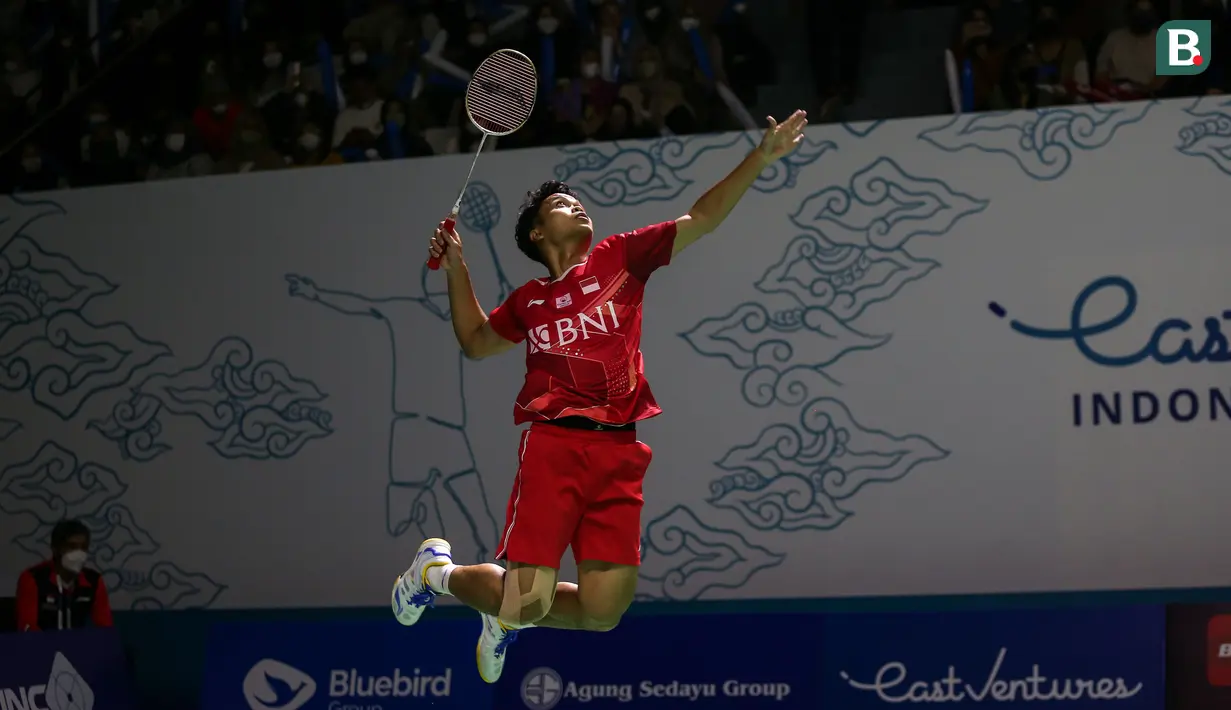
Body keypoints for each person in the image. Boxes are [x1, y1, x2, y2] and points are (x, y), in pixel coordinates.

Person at [392, 109, 809, 683]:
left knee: (602, 611)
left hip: (620, 452)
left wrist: (759, 157)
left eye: (578, 201)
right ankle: (434, 572)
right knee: (526, 600)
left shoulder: (621, 257)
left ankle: (502, 614)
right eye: (561, 204)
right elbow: (476, 342)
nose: (577, 205)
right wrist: (456, 264)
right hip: (555, 446)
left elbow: (703, 218)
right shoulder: (532, 301)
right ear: (537, 234)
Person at [15, 520, 113, 631]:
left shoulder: (94, 581)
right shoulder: (33, 578)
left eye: (83, 547)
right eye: (72, 547)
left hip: (78, 646)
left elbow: (105, 628)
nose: (79, 554)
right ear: (55, 549)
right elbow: (27, 627)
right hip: (41, 646)